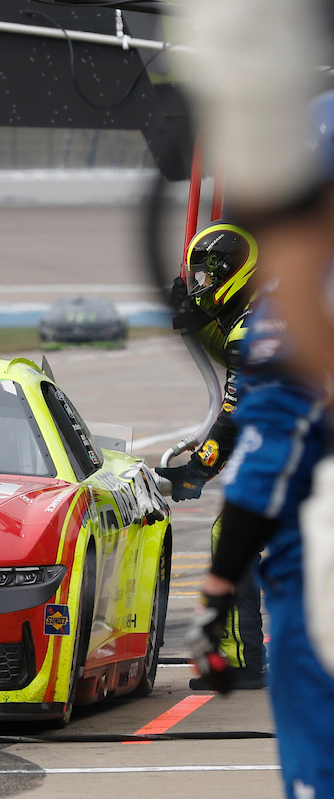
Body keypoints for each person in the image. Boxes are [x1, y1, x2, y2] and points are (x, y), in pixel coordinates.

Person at [188, 292, 333, 798]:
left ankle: (244, 654)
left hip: (317, 584)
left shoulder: (289, 314)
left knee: (318, 762)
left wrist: (213, 600)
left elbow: (262, 472)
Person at [154, 221, 267, 689]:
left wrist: (197, 471)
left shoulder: (257, 327)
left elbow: (235, 414)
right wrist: (195, 322)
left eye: (205, 277)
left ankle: (243, 661)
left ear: (230, 272)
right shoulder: (262, 311)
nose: (200, 286)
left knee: (233, 536)